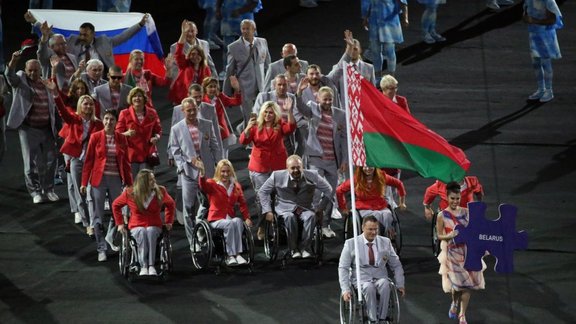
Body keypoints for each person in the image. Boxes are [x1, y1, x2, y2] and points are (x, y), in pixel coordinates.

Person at [49, 80, 104, 234]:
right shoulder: (73, 119)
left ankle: (95, 220)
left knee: (93, 194)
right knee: (81, 194)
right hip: (77, 161)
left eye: (90, 104)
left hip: (92, 163)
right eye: (85, 104)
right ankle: (88, 223)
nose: (88, 106)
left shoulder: (98, 124)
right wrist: (55, 93)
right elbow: (61, 110)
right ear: (80, 106)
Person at [169, 97, 222, 254]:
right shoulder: (176, 129)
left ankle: (201, 230)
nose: (192, 113)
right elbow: (175, 149)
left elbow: (214, 145)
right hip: (188, 173)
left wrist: (219, 166)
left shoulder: (207, 124)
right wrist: (185, 164)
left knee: (207, 203)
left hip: (208, 173)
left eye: (194, 109)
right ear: (183, 111)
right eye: (188, 110)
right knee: (188, 207)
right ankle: (193, 239)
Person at [5, 52, 59, 204]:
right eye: (30, 70)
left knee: (51, 161)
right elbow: (10, 76)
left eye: (36, 70)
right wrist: (13, 61)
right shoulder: (21, 80)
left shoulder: (46, 82)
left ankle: (48, 189)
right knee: (30, 163)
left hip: (47, 128)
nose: (33, 73)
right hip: (29, 128)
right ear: (26, 70)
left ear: (41, 70)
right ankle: (35, 191)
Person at [239, 101, 296, 240]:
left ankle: (280, 226)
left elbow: (291, 128)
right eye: (265, 112)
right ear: (262, 112)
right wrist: (247, 128)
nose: (268, 115)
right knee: (263, 199)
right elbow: (243, 141)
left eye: (271, 112)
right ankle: (263, 227)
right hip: (260, 168)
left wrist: (289, 111)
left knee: (279, 197)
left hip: (278, 167)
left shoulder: (280, 124)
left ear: (275, 113)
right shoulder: (255, 126)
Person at [295, 85, 347, 238]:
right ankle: (312, 224)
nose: (328, 102)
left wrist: (343, 160)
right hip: (316, 158)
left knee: (331, 193)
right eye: (325, 99)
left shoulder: (340, 114)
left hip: (332, 160)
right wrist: (298, 94)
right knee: (317, 191)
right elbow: (302, 109)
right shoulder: (313, 108)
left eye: (330, 99)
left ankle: (325, 224)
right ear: (318, 99)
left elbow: (343, 140)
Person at [259, 155, 333, 259]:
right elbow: (262, 192)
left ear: (302, 166)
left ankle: (305, 248)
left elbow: (329, 190)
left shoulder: (313, 175)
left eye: (298, 167)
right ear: (287, 168)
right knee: (289, 217)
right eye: (292, 168)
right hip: (284, 210)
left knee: (311, 216)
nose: (296, 170)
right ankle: (293, 249)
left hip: (305, 208)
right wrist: (268, 210)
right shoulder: (276, 176)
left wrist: (321, 208)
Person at [81, 109, 132, 260]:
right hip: (99, 179)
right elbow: (89, 160)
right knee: (97, 215)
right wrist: (84, 182)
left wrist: (129, 183)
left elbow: (126, 162)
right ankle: (101, 248)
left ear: (116, 122)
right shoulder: (95, 137)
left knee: (118, 210)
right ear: (103, 120)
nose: (109, 122)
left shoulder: (121, 138)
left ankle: (110, 236)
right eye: (107, 119)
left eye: (112, 120)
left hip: (116, 179)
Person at [338, 215, 406, 324]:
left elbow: (396, 264)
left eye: (376, 229)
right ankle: (373, 319)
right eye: (370, 229)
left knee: (385, 284)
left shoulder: (386, 242)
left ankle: (382, 318)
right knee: (368, 287)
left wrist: (400, 284)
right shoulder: (351, 243)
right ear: (363, 228)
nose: (374, 232)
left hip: (380, 277)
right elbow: (343, 267)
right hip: (361, 279)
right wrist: (345, 289)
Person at [24, 12, 148, 72]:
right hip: (79, 79)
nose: (82, 37)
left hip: (102, 78)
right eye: (81, 33)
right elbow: (53, 36)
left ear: (93, 34)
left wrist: (140, 24)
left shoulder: (104, 41)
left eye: (85, 34)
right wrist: (35, 21)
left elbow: (123, 36)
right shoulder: (72, 41)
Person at [436, 182, 486, 324]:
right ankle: (454, 302)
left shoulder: (466, 212)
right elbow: (439, 235)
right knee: (457, 286)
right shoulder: (442, 215)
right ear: (447, 197)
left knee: (467, 284)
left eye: (457, 198)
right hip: (452, 252)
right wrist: (450, 235)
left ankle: (462, 315)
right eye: (452, 198)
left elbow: (475, 228)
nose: (455, 201)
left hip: (467, 251)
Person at [112, 169, 175, 276]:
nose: (154, 181)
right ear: (143, 182)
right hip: (136, 225)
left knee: (150, 231)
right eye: (151, 180)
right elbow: (115, 205)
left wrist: (169, 222)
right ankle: (143, 265)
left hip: (154, 224)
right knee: (141, 231)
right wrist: (120, 223)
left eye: (154, 179)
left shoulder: (161, 191)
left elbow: (171, 204)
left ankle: (151, 265)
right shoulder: (130, 192)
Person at [196, 158, 252, 266]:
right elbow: (203, 186)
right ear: (218, 172)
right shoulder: (212, 184)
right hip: (215, 219)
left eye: (227, 171)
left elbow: (243, 204)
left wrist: (247, 218)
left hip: (229, 218)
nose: (225, 174)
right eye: (223, 171)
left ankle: (238, 254)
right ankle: (230, 255)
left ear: (231, 172)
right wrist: (202, 172)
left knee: (238, 221)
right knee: (230, 223)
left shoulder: (236, 187)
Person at [223, 19, 271, 132]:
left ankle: (244, 130)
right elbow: (229, 70)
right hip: (244, 87)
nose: (245, 31)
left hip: (262, 86)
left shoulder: (262, 42)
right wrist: (226, 93)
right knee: (249, 115)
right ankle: (249, 139)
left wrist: (270, 83)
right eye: (243, 29)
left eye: (247, 29)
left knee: (263, 113)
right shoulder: (233, 47)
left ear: (254, 30)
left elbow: (268, 65)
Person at [337, 167, 407, 237]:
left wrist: (402, 202)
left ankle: (387, 235)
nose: (368, 168)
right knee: (376, 216)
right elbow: (339, 190)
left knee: (387, 215)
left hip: (380, 205)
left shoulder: (381, 176)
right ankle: (376, 237)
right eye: (365, 167)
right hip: (363, 207)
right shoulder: (356, 179)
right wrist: (343, 207)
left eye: (370, 166)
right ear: (361, 168)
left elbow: (399, 184)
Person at [116, 87, 162, 179]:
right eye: (135, 96)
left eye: (140, 96)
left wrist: (156, 137)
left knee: (146, 183)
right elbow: (117, 133)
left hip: (147, 154)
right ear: (131, 99)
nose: (137, 98)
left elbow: (158, 130)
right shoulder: (124, 113)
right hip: (131, 155)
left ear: (144, 99)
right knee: (132, 184)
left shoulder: (152, 113)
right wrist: (127, 133)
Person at [523, 0, 563, 103]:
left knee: (546, 63)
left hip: (545, 36)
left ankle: (549, 90)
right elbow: (525, 13)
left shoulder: (548, 1)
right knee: (536, 63)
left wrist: (533, 20)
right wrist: (526, 18)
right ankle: (541, 89)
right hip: (533, 34)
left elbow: (552, 20)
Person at [252, 74, 299, 155]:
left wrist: (289, 112)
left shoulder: (292, 98)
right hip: (266, 138)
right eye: (279, 84)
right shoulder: (264, 96)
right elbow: (256, 116)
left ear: (288, 85)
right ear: (274, 85)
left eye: (284, 85)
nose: (282, 87)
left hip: (285, 138)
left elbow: (295, 118)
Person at [328, 30, 376, 107]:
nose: (352, 52)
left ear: (360, 50)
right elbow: (332, 86)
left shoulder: (369, 68)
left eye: (355, 49)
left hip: (364, 108)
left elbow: (373, 92)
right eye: (351, 49)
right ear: (346, 50)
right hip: (346, 109)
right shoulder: (338, 68)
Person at [169, 20, 212, 105]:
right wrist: (183, 34)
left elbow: (209, 76)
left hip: (200, 96)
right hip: (184, 96)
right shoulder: (184, 65)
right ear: (189, 55)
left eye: (192, 31)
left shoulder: (205, 68)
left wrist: (214, 86)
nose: (195, 57)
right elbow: (178, 56)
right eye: (192, 54)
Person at [360, 1, 408, 77]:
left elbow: (403, 1)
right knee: (376, 52)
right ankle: (378, 75)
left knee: (389, 51)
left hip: (389, 22)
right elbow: (366, 3)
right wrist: (365, 18)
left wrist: (405, 17)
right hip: (374, 22)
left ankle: (391, 76)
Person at [202, 76, 242, 158]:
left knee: (223, 159)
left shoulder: (220, 97)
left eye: (215, 86)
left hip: (222, 134)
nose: (213, 89)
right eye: (210, 87)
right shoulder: (201, 101)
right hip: (209, 134)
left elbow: (236, 102)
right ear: (205, 88)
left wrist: (237, 90)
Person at [37, 23, 78, 94]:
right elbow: (42, 50)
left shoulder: (72, 57)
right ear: (51, 47)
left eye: (64, 43)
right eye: (60, 44)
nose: (64, 46)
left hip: (72, 94)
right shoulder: (47, 57)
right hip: (55, 94)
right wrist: (44, 36)